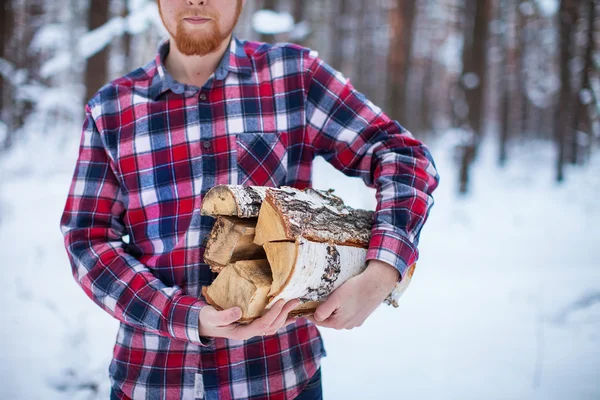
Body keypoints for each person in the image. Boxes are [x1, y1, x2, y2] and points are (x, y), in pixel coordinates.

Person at [59, 0, 440, 399]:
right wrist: (186, 317)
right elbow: (88, 239)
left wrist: (382, 271)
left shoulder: (294, 77)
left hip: (279, 377)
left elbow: (402, 155)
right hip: (153, 379)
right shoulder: (111, 109)